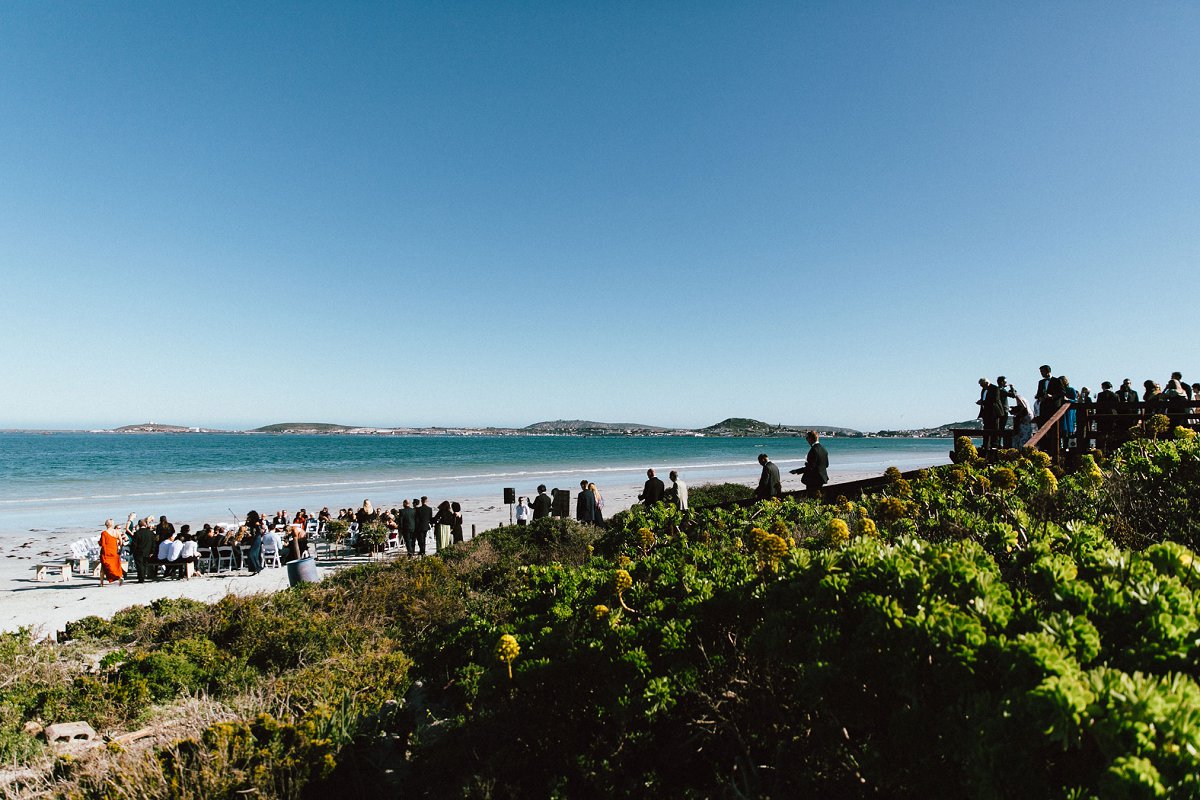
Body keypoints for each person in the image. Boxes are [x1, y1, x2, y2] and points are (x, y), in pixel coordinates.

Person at [790, 432, 829, 497]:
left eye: (807, 438)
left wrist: (797, 471)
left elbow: (811, 467)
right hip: (822, 478)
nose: (806, 440)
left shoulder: (814, 450)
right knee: (818, 497)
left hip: (813, 479)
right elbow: (826, 465)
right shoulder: (824, 449)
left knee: (811, 497)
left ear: (811, 439)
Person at [98, 518, 125, 587]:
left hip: (106, 552)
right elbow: (121, 542)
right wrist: (120, 550)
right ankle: (119, 577)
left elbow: (103, 544)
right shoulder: (117, 532)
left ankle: (101, 583)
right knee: (116, 566)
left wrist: (99, 543)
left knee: (103, 568)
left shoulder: (104, 533)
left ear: (106, 525)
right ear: (112, 524)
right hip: (114, 551)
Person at [131, 516, 157, 582]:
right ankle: (143, 576)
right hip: (148, 551)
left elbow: (134, 544)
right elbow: (153, 543)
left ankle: (141, 578)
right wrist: (152, 551)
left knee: (139, 565)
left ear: (139, 525)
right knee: (145, 564)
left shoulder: (137, 533)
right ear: (145, 524)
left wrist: (132, 551)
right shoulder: (150, 533)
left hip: (138, 552)